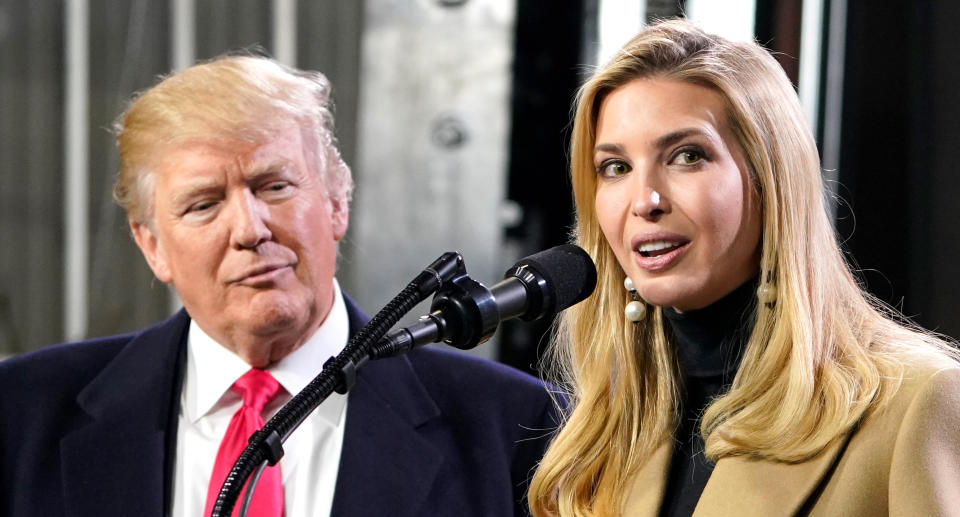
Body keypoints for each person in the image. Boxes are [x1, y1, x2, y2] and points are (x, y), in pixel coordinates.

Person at [0, 55, 558, 517]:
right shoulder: (21, 414)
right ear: (152, 246)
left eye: (273, 186)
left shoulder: (516, 429)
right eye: (203, 204)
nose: (248, 229)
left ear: (337, 202)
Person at [528, 19, 960, 516]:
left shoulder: (917, 404)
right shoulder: (606, 434)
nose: (644, 201)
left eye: (687, 156)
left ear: (770, 180)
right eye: (616, 167)